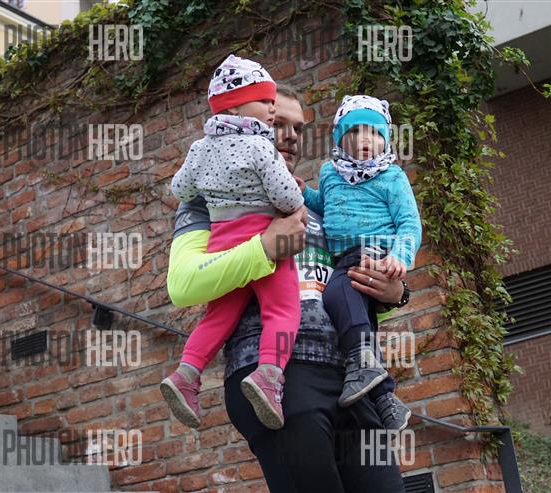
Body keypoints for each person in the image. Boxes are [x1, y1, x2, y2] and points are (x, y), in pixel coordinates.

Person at [167, 85, 407, 492]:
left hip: (353, 382)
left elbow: (341, 284)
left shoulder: (316, 204)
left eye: (298, 128)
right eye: (279, 123)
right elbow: (184, 284)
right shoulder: (209, 200)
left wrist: (394, 293)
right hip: (278, 380)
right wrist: (265, 246)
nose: (291, 136)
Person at [162, 54, 304, 431]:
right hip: (263, 233)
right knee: (283, 310)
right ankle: (268, 375)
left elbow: (180, 189)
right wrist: (296, 200)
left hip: (222, 239)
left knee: (219, 315)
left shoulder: (200, 149)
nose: (272, 109)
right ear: (236, 105)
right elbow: (286, 197)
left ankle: (186, 374)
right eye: (265, 101)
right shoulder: (260, 146)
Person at [299, 95, 421, 428]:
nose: (365, 140)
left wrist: (399, 256)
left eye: (374, 133)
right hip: (344, 256)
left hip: (374, 253)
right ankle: (386, 400)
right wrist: (304, 194)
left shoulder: (391, 177)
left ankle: (364, 364)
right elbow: (325, 205)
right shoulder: (329, 172)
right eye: (355, 132)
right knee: (360, 323)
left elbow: (409, 223)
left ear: (386, 139)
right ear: (340, 138)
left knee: (336, 294)